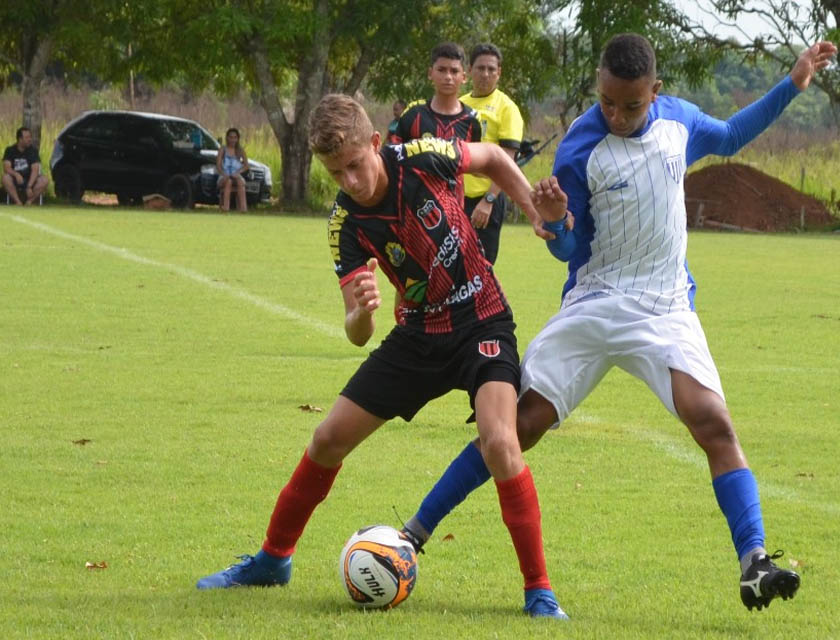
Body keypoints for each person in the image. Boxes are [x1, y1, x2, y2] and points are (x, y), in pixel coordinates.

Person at [401, 33, 838, 613]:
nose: (617, 114)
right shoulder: (580, 147)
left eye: (631, 105)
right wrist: (556, 223)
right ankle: (414, 533)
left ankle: (754, 560)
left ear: (654, 92)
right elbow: (568, 249)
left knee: (714, 423)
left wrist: (793, 83)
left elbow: (732, 134)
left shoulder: (680, 122)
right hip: (595, 302)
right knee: (517, 426)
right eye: (607, 101)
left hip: (664, 308)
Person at [195, 93, 568, 619]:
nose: (349, 181)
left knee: (501, 441)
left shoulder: (422, 154)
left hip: (481, 318)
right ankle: (272, 560)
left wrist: (531, 209)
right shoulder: (343, 223)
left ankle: (539, 590)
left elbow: (494, 159)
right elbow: (355, 332)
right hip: (416, 338)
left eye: (354, 165)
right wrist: (362, 313)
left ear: (376, 144)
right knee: (327, 439)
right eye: (335, 173)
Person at [461, 43, 525, 265]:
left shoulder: (507, 108)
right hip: (456, 199)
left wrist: (488, 200)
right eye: (480, 68)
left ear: (499, 72)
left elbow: (507, 160)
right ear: (469, 70)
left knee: (480, 272)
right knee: (450, 271)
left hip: (486, 200)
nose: (485, 74)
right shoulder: (460, 105)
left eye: (491, 69)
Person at [388, 42, 481, 147]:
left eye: (454, 71)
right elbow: (393, 156)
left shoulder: (472, 121)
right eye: (441, 70)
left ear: (464, 77)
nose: (448, 77)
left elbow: (476, 161)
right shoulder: (413, 115)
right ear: (430, 73)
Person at [3, 127, 48, 205]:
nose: (30, 139)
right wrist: (16, 174)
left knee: (44, 180)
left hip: (30, 179)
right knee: (5, 178)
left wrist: (29, 186)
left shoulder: (33, 151)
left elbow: (35, 170)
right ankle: (18, 201)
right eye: (27, 137)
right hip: (15, 179)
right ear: (20, 139)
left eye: (30, 137)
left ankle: (29, 201)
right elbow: (7, 168)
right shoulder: (10, 150)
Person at [216, 128, 250, 212]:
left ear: (238, 139)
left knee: (240, 181)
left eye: (235, 137)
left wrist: (238, 172)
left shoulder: (240, 150)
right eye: (231, 137)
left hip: (236, 175)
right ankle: (226, 207)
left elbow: (246, 166)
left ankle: (243, 208)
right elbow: (218, 166)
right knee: (229, 181)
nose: (233, 140)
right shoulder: (222, 150)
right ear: (227, 138)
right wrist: (224, 174)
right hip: (224, 176)